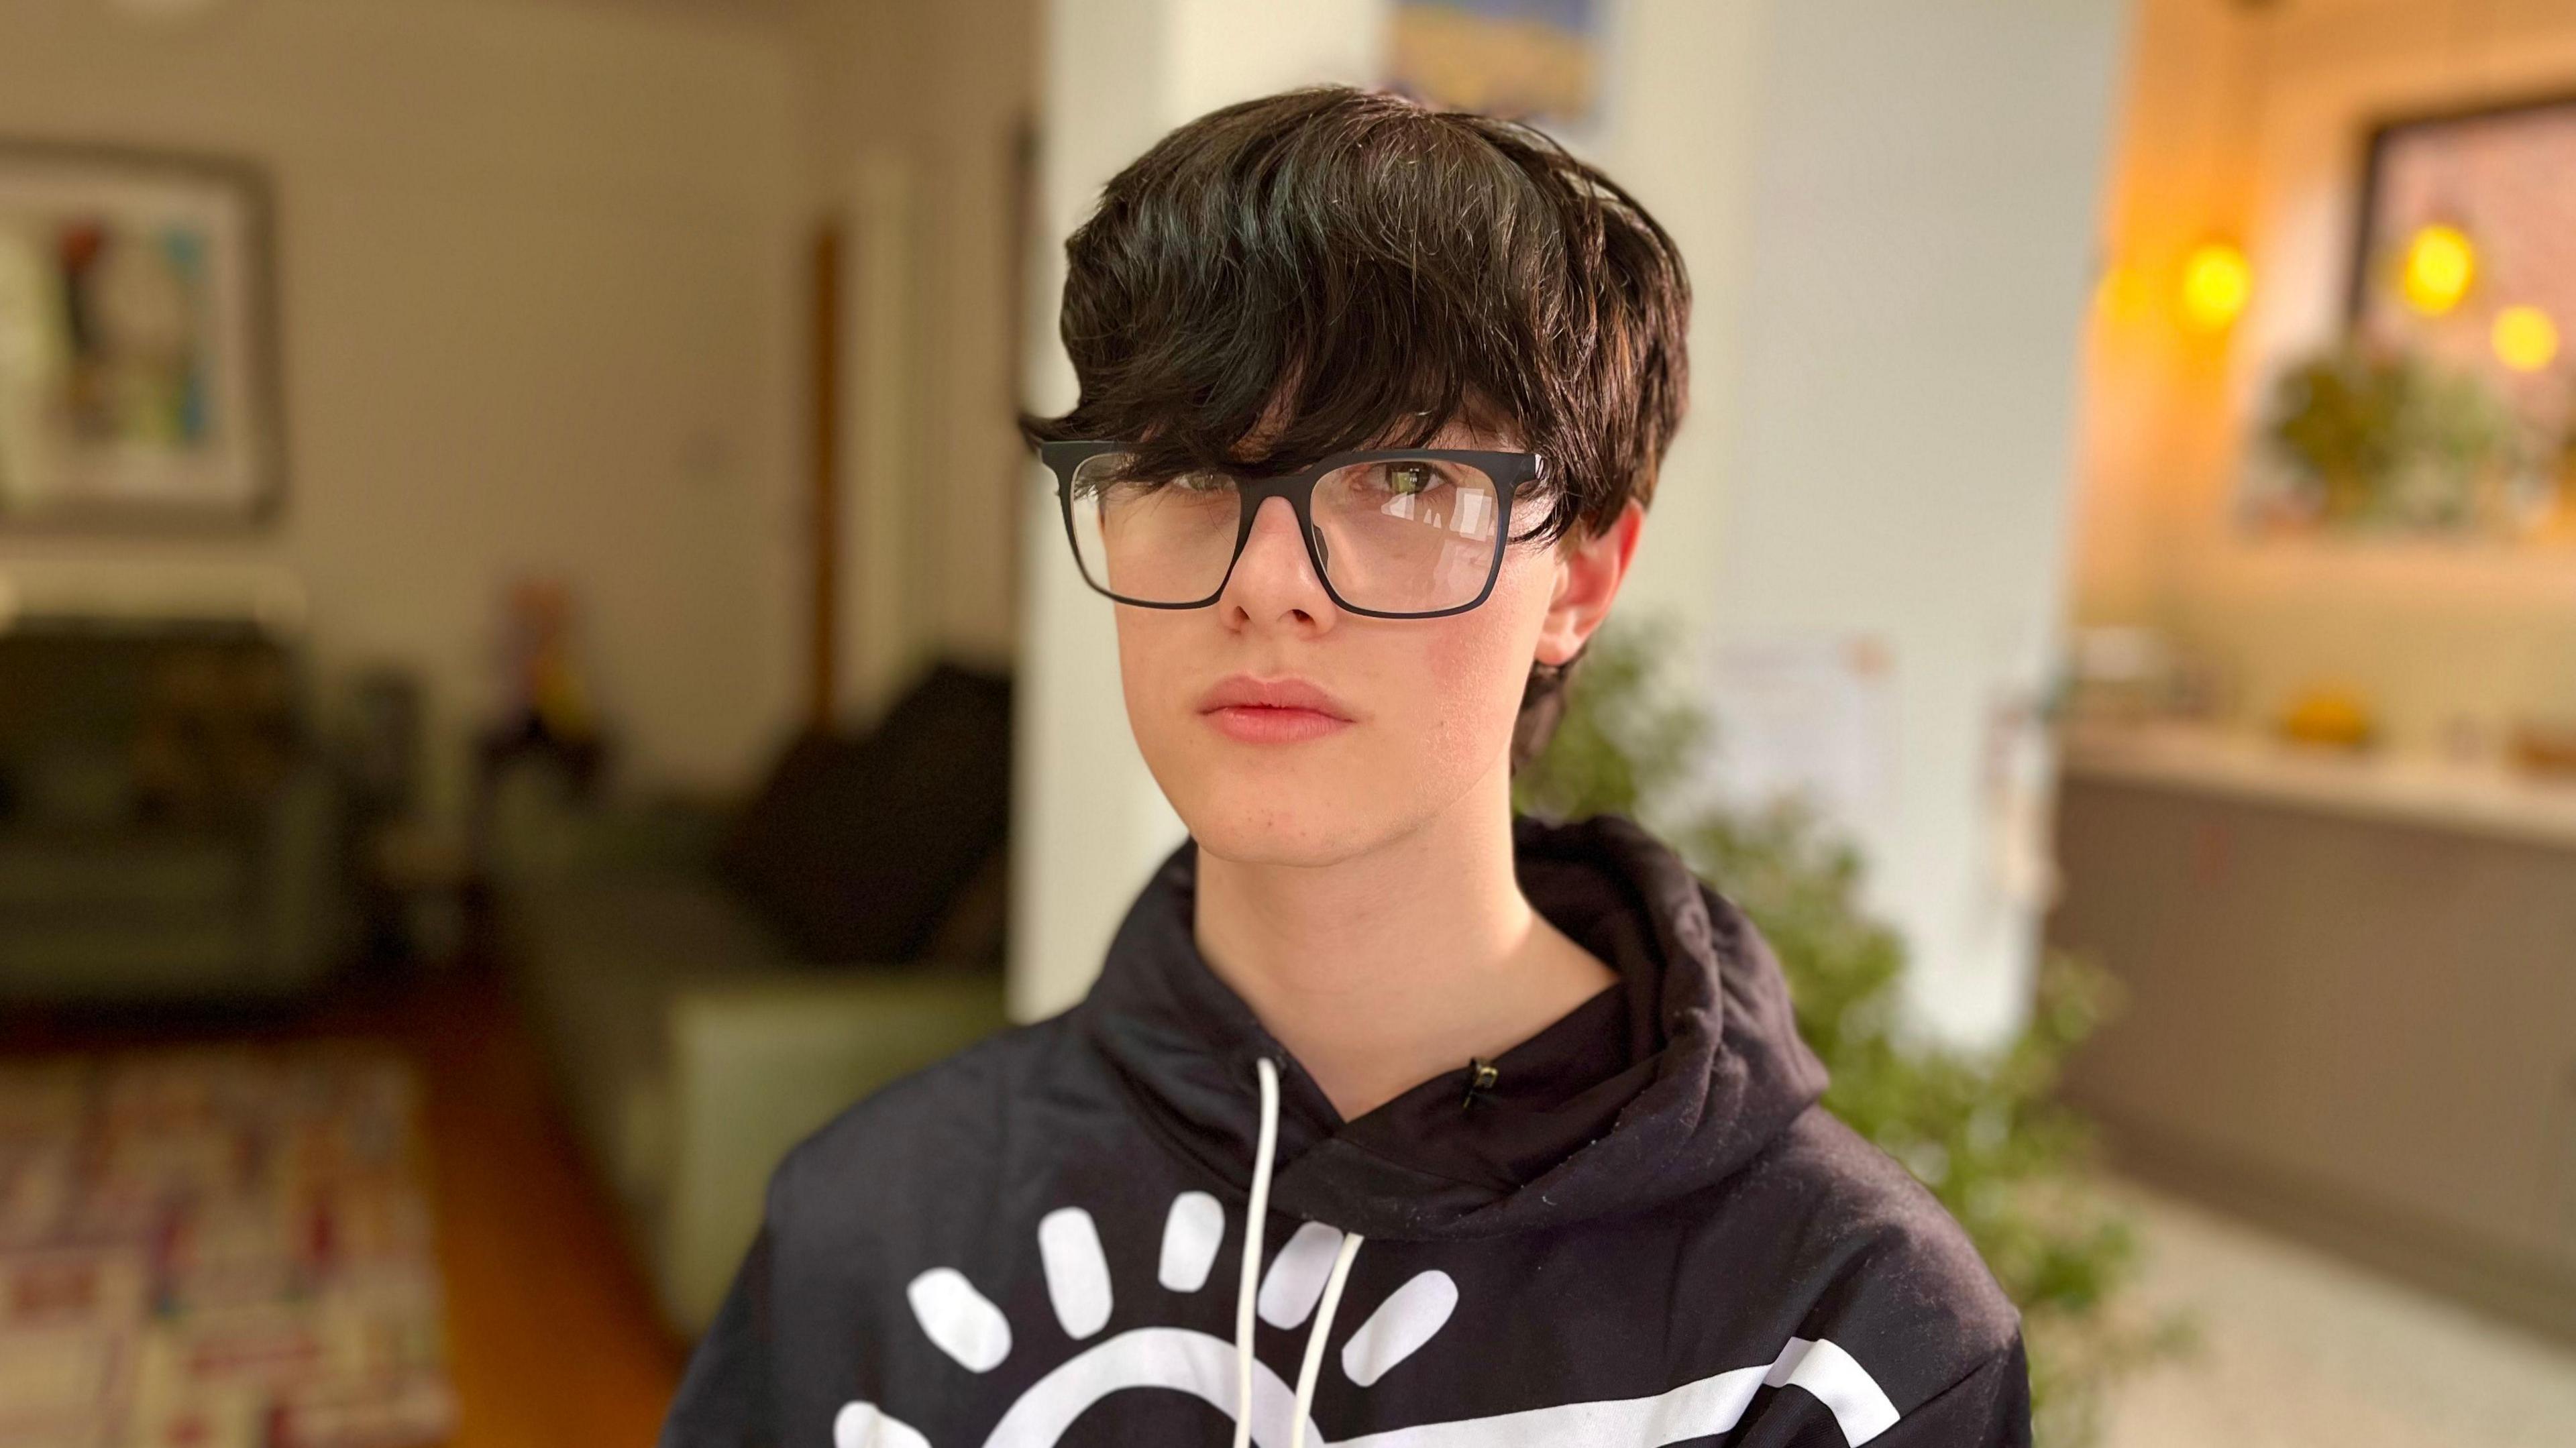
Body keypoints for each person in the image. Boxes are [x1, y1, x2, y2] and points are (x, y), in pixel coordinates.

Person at [659, 85, 2027, 1448]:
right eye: (1184, 470)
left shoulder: (1839, 1341)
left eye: (1408, 480)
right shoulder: (874, 1225)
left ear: (1582, 576)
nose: (1266, 584)